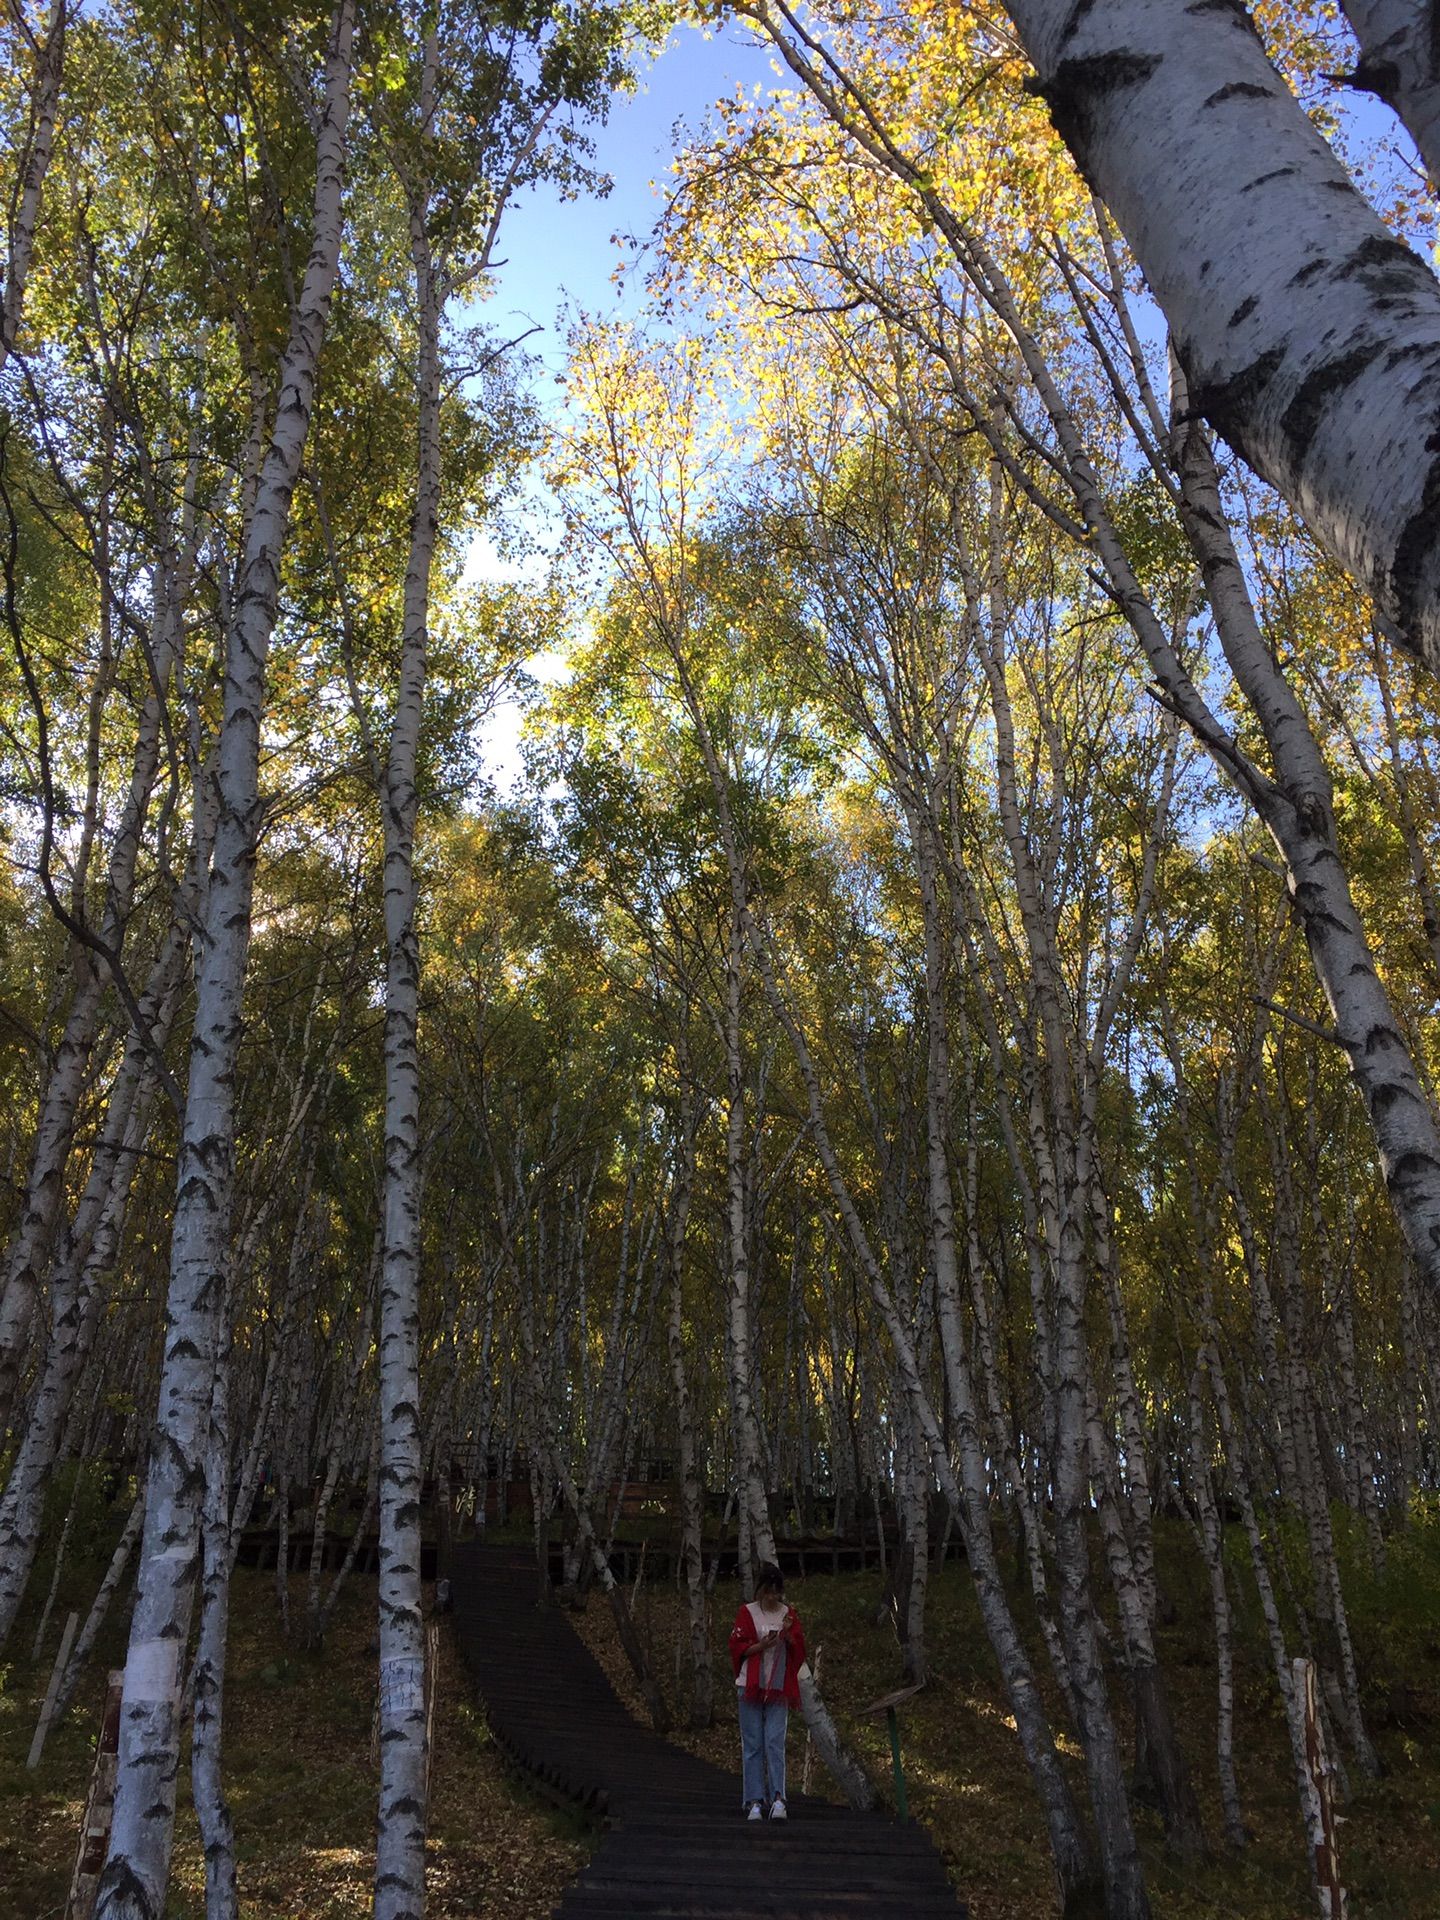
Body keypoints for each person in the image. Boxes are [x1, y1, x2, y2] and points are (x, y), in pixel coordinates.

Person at [728, 1560, 807, 1821]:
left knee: (775, 1741)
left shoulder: (788, 1614)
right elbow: (739, 1648)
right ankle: (753, 1800)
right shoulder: (747, 1612)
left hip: (777, 1686)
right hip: (749, 1683)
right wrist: (763, 1645)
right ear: (761, 1590)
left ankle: (778, 1798)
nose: (773, 1596)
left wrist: (788, 1635)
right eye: (768, 1591)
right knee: (752, 1744)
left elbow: (798, 1649)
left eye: (777, 1592)